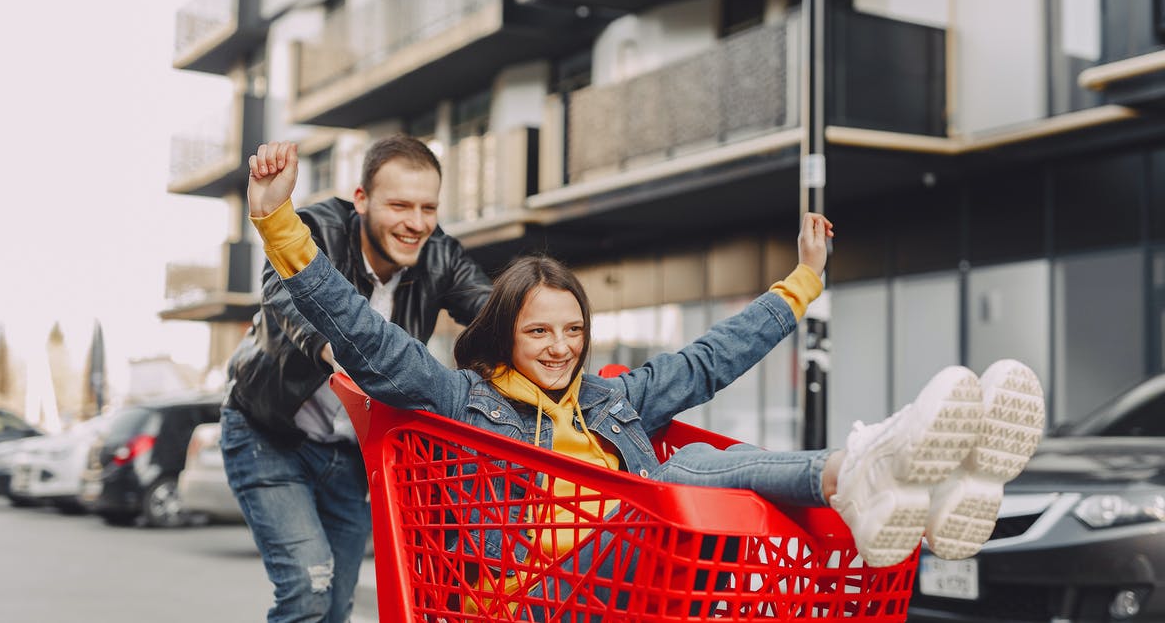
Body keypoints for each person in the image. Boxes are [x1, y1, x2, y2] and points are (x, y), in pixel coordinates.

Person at [245, 143, 1045, 613]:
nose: (560, 347)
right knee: (671, 483)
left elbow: (704, 361)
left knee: (681, 463)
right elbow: (358, 328)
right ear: (504, 334)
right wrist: (278, 221)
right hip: (530, 593)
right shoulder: (465, 399)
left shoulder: (606, 398)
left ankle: (881, 480)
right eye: (539, 332)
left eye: (572, 330)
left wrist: (801, 282)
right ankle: (870, 468)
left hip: (642, 583)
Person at [221, 137, 492, 622]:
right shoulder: (320, 227)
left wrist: (546, 336)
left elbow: (497, 314)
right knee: (309, 590)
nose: (417, 223)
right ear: (362, 199)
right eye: (400, 205)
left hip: (350, 455)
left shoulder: (441, 256)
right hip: (268, 433)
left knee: (336, 608)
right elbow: (282, 293)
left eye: (428, 207)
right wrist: (334, 349)